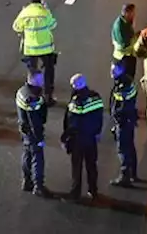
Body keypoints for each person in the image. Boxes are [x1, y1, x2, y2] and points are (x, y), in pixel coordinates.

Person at [61, 73, 104, 201]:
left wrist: (64, 138)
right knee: (91, 165)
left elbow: (71, 123)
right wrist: (97, 132)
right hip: (91, 138)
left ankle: (75, 193)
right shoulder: (96, 97)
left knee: (77, 167)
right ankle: (93, 190)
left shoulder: (76, 101)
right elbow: (99, 118)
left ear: (77, 85)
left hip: (78, 140)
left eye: (73, 85)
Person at [13, 0, 58, 105]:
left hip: (30, 49)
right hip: (45, 48)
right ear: (40, 1)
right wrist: (47, 9)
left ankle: (32, 96)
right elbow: (53, 24)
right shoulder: (44, 12)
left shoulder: (25, 12)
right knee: (49, 71)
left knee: (32, 72)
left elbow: (16, 26)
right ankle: (48, 97)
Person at [16, 70, 53, 197]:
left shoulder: (21, 91)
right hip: (33, 133)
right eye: (40, 79)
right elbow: (35, 121)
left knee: (27, 154)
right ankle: (39, 186)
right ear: (34, 80)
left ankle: (27, 181)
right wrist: (39, 138)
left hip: (24, 131)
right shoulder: (33, 98)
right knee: (38, 158)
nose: (42, 81)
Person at [108, 62, 139, 187]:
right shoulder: (127, 82)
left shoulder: (122, 86)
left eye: (113, 70)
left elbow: (120, 107)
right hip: (129, 120)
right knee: (130, 147)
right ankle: (133, 174)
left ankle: (125, 176)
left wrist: (117, 120)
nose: (111, 72)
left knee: (123, 149)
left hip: (124, 122)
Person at [110, 3, 138, 79]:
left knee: (129, 80)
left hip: (128, 56)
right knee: (125, 81)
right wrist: (137, 39)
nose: (134, 15)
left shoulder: (127, 22)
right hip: (122, 58)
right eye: (133, 13)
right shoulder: (119, 25)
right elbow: (123, 43)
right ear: (126, 13)